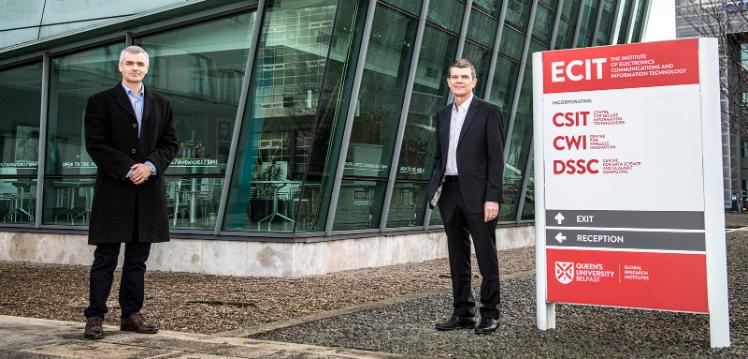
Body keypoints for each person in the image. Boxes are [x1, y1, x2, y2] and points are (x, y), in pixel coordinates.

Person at [82, 46, 178, 340]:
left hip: (147, 191)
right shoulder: (100, 102)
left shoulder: (162, 103)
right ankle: (95, 316)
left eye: (140, 64)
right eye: (130, 63)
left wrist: (149, 166)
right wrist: (128, 168)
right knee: (105, 258)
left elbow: (170, 144)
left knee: (138, 259)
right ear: (120, 67)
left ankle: (131, 315)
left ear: (146, 69)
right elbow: (96, 143)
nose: (135, 68)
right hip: (114, 189)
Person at [427, 59, 504, 334]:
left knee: (486, 256)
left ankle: (490, 313)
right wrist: (434, 185)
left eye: (464, 77)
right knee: (457, 257)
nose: (459, 81)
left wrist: (492, 197)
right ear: (448, 82)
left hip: (480, 196)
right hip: (450, 192)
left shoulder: (489, 112)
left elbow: (496, 159)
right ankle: (462, 313)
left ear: (474, 81)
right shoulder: (442, 114)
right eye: (454, 77)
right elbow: (439, 155)